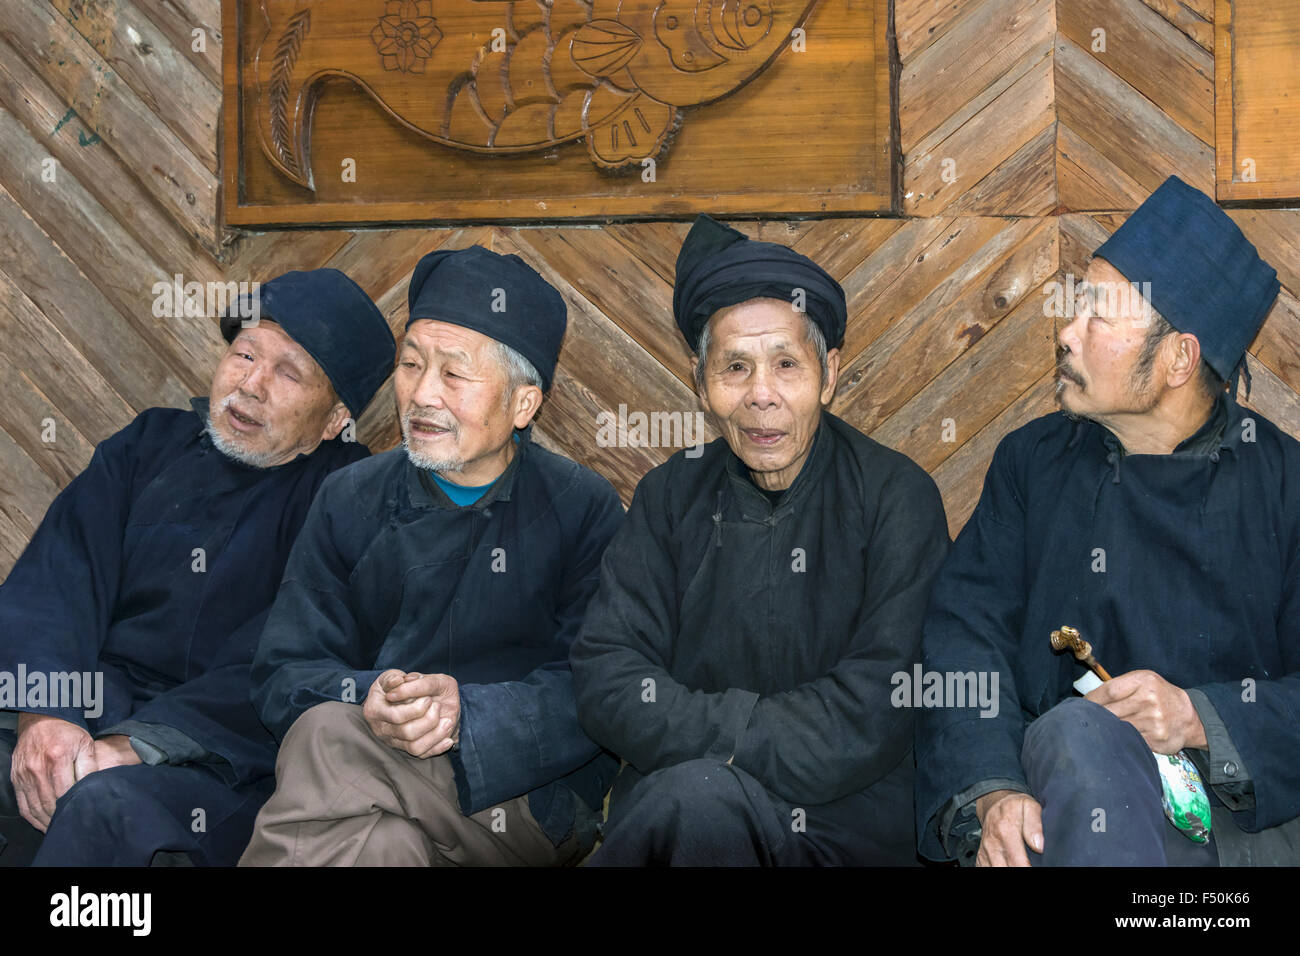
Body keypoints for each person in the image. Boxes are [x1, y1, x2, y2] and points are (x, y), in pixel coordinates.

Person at [916, 175, 1300, 866]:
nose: (1067, 333)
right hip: (1066, 806)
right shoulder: (1033, 464)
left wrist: (1201, 718)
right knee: (1078, 733)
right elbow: (964, 638)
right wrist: (992, 792)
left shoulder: (1286, 487)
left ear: (1180, 358)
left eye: (1099, 315)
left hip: (1244, 831)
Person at [569, 215, 951, 865]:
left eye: (785, 364)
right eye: (736, 368)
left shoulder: (896, 498)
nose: (761, 396)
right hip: (686, 809)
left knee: (694, 802)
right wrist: (729, 756)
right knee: (697, 804)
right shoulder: (669, 498)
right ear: (700, 384)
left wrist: (716, 739)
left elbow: (881, 702)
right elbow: (609, 679)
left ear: (829, 374)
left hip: (847, 828)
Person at [240, 245, 623, 867]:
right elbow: (284, 669)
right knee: (386, 848)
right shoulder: (350, 497)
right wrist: (372, 698)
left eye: (454, 374)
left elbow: (603, 689)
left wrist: (463, 715)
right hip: (360, 787)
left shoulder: (581, 508)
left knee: (327, 735)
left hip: (519, 798)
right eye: (411, 365)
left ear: (523, 405)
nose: (421, 395)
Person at [0, 268, 395, 865]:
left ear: (334, 420)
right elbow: (57, 580)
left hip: (214, 761)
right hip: (78, 709)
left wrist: (134, 746)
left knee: (108, 809)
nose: (251, 384)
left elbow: (289, 662)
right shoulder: (148, 445)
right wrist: (45, 715)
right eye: (244, 354)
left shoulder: (347, 499)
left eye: (288, 373)